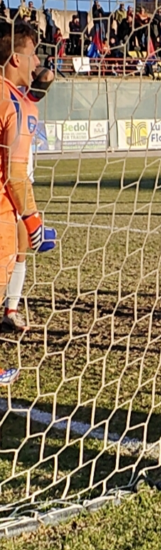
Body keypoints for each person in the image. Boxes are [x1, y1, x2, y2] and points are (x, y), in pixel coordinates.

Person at [0, 20, 57, 359]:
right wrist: (34, 222)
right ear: (16, 60)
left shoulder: (19, 97)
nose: (37, 62)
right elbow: (15, 174)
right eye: (33, 54)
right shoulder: (16, 105)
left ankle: (11, 309)